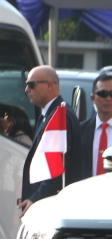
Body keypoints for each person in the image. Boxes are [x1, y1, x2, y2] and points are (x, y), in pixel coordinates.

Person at [18, 66, 82, 217]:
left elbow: (56, 169)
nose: (27, 89)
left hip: (53, 206)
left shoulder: (60, 116)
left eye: (31, 84)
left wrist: (36, 198)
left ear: (49, 86)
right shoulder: (49, 114)